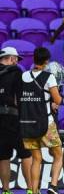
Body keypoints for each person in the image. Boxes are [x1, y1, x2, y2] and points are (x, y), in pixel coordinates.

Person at [20, 48, 63, 194]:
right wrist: (55, 101)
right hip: (46, 123)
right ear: (46, 61)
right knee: (58, 155)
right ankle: (53, 186)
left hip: (27, 123)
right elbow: (57, 99)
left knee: (36, 158)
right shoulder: (49, 77)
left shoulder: (24, 76)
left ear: (34, 58)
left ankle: (34, 191)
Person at [0, 47, 32, 194]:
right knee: (26, 154)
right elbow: (21, 98)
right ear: (11, 58)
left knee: (3, 156)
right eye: (16, 59)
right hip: (14, 119)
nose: (17, 62)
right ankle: (31, 189)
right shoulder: (17, 72)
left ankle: (6, 190)